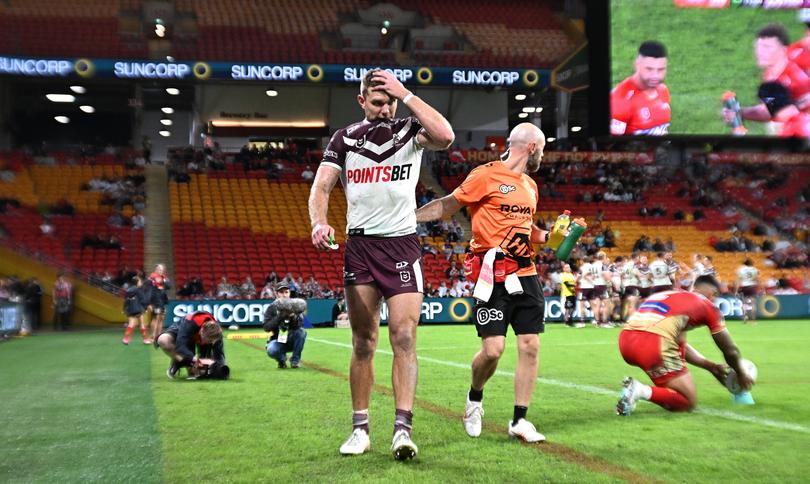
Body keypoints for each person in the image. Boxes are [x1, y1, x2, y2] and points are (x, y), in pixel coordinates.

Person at [308, 68, 454, 460]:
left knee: (404, 337)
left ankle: (402, 431)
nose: (385, 107)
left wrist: (405, 94)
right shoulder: (345, 138)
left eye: (389, 100)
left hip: (402, 247)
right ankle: (360, 429)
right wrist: (319, 222)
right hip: (361, 248)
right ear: (361, 101)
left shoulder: (409, 129)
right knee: (362, 342)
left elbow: (445, 135)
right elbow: (322, 185)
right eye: (378, 101)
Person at [415, 122, 550, 444]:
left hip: (525, 272)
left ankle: (520, 420)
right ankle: (474, 398)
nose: (542, 153)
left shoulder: (531, 186)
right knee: (493, 350)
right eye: (542, 148)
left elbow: (527, 228)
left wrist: (548, 236)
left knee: (530, 345)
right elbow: (448, 204)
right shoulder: (485, 174)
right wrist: (408, 217)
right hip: (492, 275)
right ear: (532, 147)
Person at [616, 276, 753, 415]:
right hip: (653, 344)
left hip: (626, 340)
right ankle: (639, 390)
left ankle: (638, 391)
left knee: (673, 391)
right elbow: (730, 350)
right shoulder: (708, 306)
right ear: (713, 295)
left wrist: (710, 366)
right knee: (687, 401)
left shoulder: (671, 295)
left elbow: (679, 346)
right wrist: (741, 374)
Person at [723, 24, 810, 126]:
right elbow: (769, 111)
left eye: (766, 47)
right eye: (758, 47)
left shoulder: (796, 72)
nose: (760, 52)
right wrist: (740, 112)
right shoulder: (771, 76)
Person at [611, 40, 671, 136]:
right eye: (649, 69)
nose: (655, 76)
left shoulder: (663, 90)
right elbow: (612, 146)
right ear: (637, 65)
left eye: (660, 69)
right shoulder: (620, 99)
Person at [156, 311, 227, 380]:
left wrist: (216, 367)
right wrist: (195, 360)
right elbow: (180, 346)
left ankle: (191, 368)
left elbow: (220, 356)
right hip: (182, 331)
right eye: (208, 340)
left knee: (200, 373)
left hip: (195, 335)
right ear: (201, 332)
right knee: (163, 340)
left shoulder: (216, 334)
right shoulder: (189, 324)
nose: (209, 343)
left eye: (211, 341)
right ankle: (178, 362)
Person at [263, 283, 307, 369]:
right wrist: (281, 316)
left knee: (302, 332)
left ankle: (295, 361)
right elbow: (266, 327)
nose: (284, 295)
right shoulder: (272, 307)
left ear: (289, 293)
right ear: (276, 294)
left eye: (286, 292)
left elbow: (300, 324)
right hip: (278, 339)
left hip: (291, 339)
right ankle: (282, 360)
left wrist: (294, 317)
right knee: (271, 350)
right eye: (281, 292)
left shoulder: (295, 305)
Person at [122, 275, 151, 345]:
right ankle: (145, 339)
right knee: (142, 324)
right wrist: (146, 308)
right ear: (137, 282)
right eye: (140, 281)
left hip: (130, 309)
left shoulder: (128, 290)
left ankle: (125, 339)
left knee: (131, 324)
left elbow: (126, 300)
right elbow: (143, 300)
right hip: (138, 309)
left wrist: (124, 309)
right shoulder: (138, 290)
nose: (141, 283)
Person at [147, 264, 171, 343]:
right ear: (156, 270)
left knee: (161, 318)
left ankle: (158, 336)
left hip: (162, 300)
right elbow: (148, 290)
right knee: (156, 318)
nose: (161, 271)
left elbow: (169, 286)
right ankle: (152, 336)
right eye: (160, 269)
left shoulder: (163, 278)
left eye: (162, 269)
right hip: (155, 301)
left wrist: (164, 280)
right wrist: (149, 303)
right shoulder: (151, 278)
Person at [735, 259, 760, 324]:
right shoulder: (755, 269)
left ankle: (745, 317)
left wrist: (736, 290)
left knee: (744, 303)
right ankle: (753, 320)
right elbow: (757, 279)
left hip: (744, 286)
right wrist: (760, 287)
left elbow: (738, 280)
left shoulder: (740, 269)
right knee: (753, 303)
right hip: (752, 286)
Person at [559, 263, 583, 328]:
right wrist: (574, 286)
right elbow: (567, 284)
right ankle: (566, 322)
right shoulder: (563, 275)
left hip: (573, 293)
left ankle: (570, 320)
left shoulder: (571, 275)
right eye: (566, 267)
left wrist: (577, 281)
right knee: (567, 308)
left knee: (573, 308)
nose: (568, 268)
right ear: (563, 269)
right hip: (566, 294)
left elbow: (574, 282)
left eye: (569, 267)